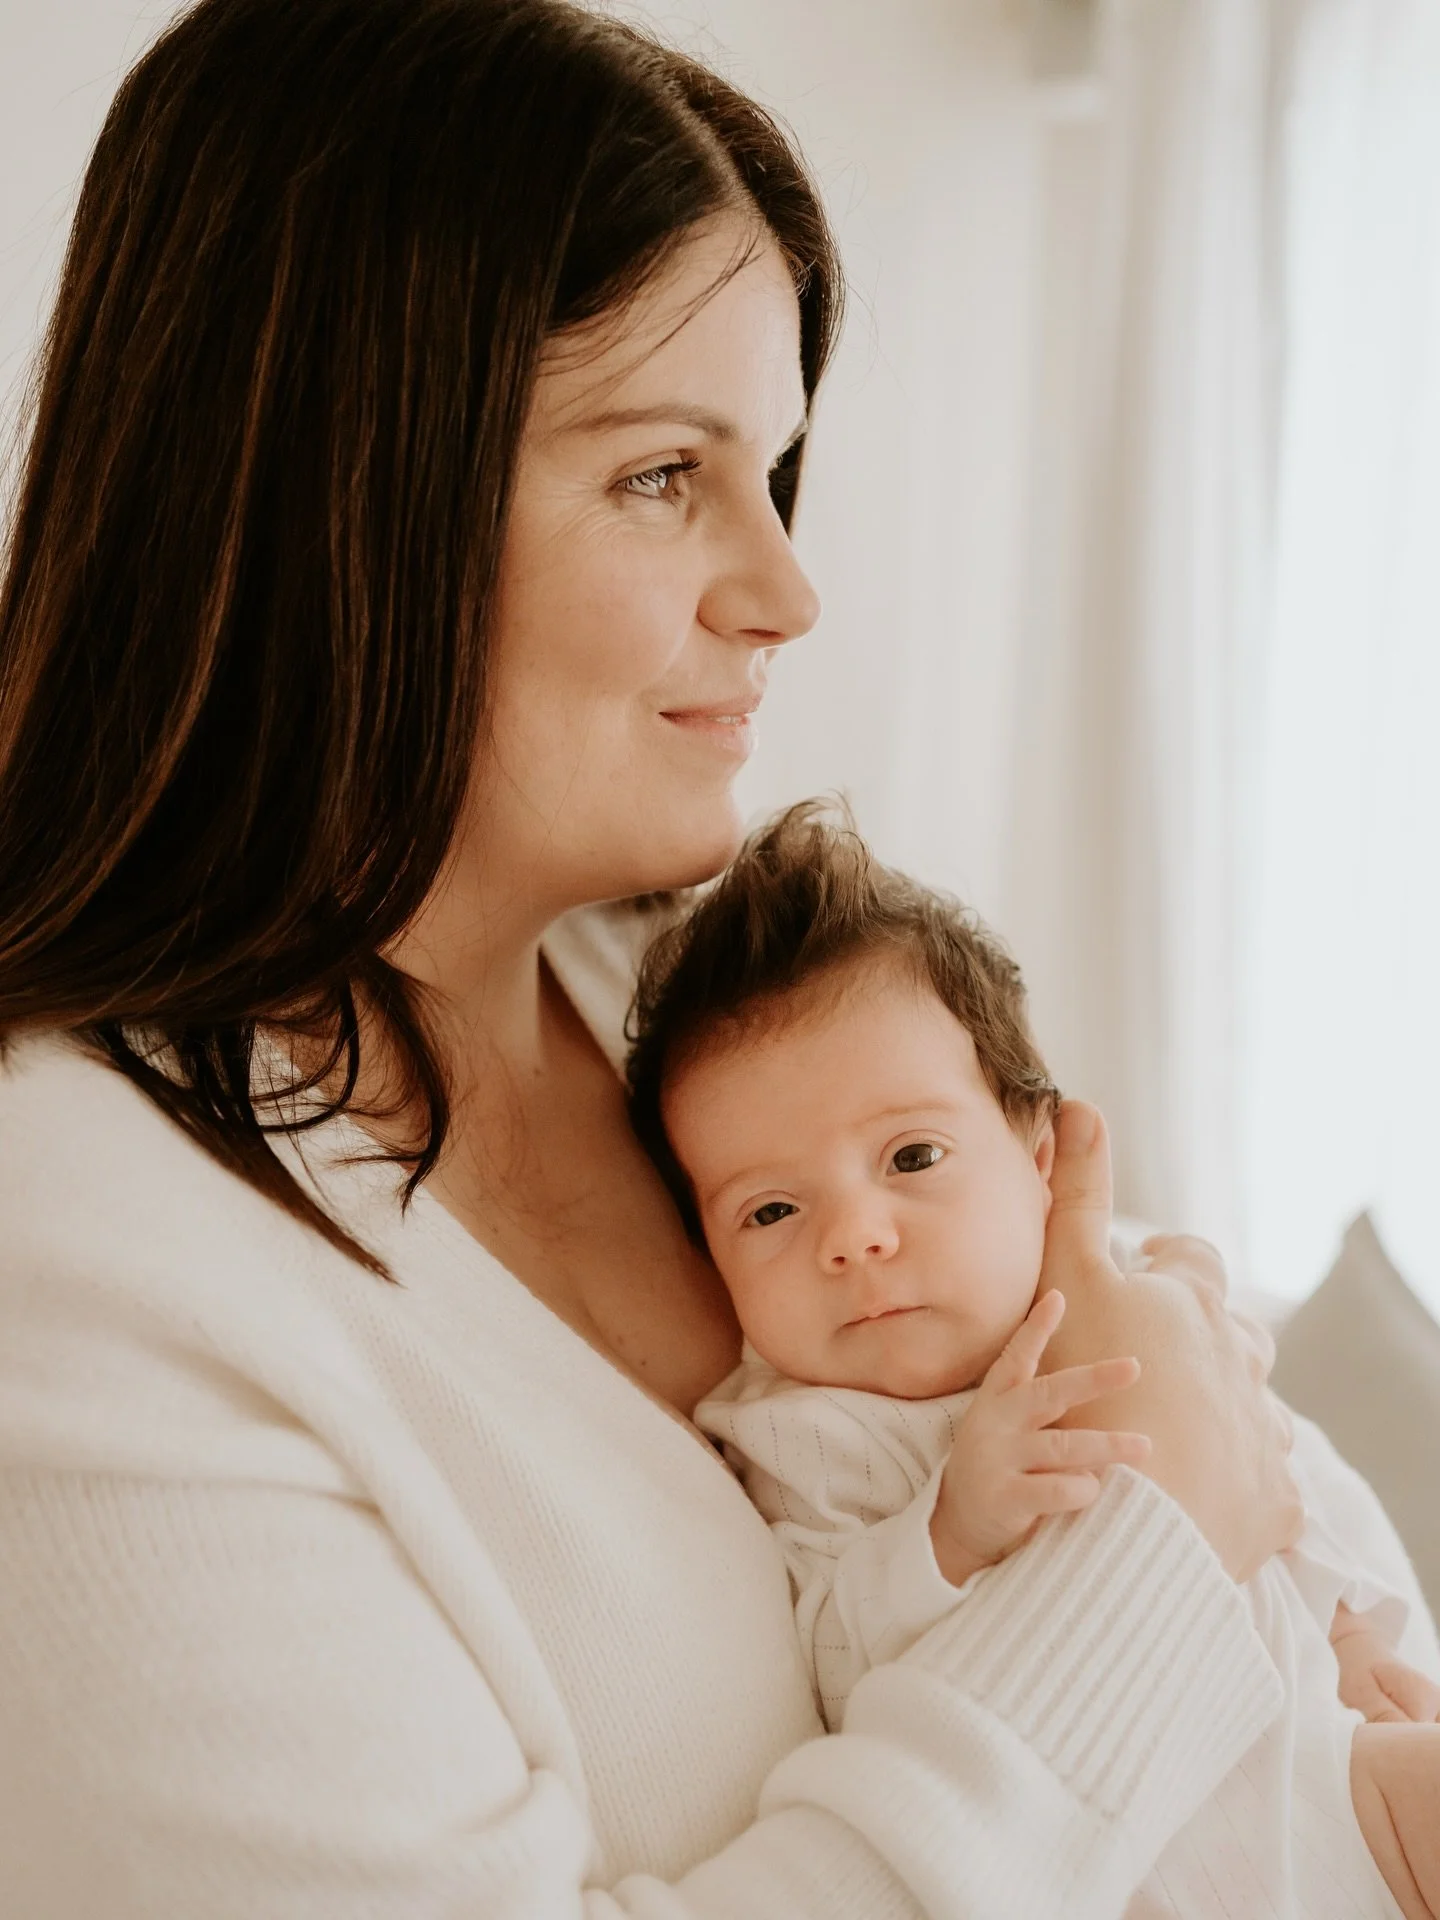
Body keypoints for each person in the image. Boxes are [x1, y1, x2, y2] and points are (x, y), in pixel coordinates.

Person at [0, 0, 1400, 1913]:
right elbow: (1174, 1494)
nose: (788, 591)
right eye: (665, 475)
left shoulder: (685, 998)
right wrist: (1154, 1569)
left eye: (773, 470)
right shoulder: (78, 1265)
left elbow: (1176, 1397)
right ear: (347, 493)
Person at [627, 800, 1440, 1919]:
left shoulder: (1132, 1304)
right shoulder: (806, 1434)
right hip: (1115, 1865)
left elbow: (1279, 1474)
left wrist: (1351, 1632)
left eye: (912, 1156)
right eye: (770, 1210)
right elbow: (829, 1665)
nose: (854, 1235)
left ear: (1040, 1153)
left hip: (1335, 1790)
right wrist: (949, 1532)